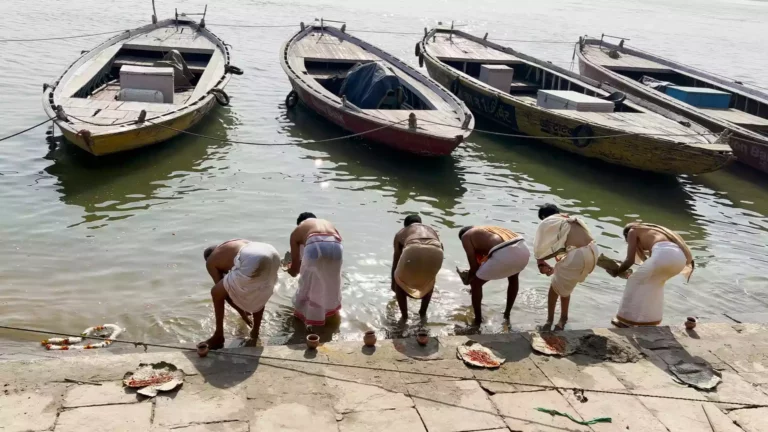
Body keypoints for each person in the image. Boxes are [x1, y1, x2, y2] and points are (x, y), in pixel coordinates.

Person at [610, 222, 694, 327]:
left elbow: (629, 260)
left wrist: (617, 271)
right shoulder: (654, 231)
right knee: (654, 285)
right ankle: (648, 321)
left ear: (627, 235)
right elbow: (651, 266)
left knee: (633, 281)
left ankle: (624, 321)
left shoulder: (632, 230)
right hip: (680, 260)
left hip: (664, 254)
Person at [200, 239, 280, 349]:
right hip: (272, 253)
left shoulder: (211, 262)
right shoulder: (231, 245)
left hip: (254, 259)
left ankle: (218, 335)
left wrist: (242, 314)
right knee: (258, 292)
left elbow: (224, 294)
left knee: (215, 292)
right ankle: (255, 332)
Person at [534, 204, 599, 331]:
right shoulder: (569, 219)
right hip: (593, 251)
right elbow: (565, 246)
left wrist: (540, 261)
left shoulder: (549, 221)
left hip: (578, 255)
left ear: (543, 216)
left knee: (554, 287)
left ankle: (550, 321)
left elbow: (540, 247)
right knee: (564, 286)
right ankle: (563, 319)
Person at [458, 225, 530, 325]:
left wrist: (468, 278)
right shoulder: (490, 229)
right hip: (523, 249)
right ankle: (507, 314)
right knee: (513, 278)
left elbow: (474, 267)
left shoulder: (466, 236)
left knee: (475, 284)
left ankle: (478, 320)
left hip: (504, 251)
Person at [286, 212, 343, 327]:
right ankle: (331, 318)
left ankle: (302, 322)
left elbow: (295, 270)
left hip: (314, 246)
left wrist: (288, 268)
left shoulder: (297, 231)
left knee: (307, 285)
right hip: (336, 247)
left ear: (299, 224)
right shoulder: (327, 224)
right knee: (331, 284)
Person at [391, 214, 444, 321]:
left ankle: (404, 316)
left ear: (406, 225)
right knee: (430, 281)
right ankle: (423, 313)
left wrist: (393, 281)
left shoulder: (402, 232)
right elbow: (441, 247)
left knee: (399, 280)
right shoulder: (431, 230)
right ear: (420, 222)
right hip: (437, 250)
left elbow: (396, 259)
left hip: (412, 247)